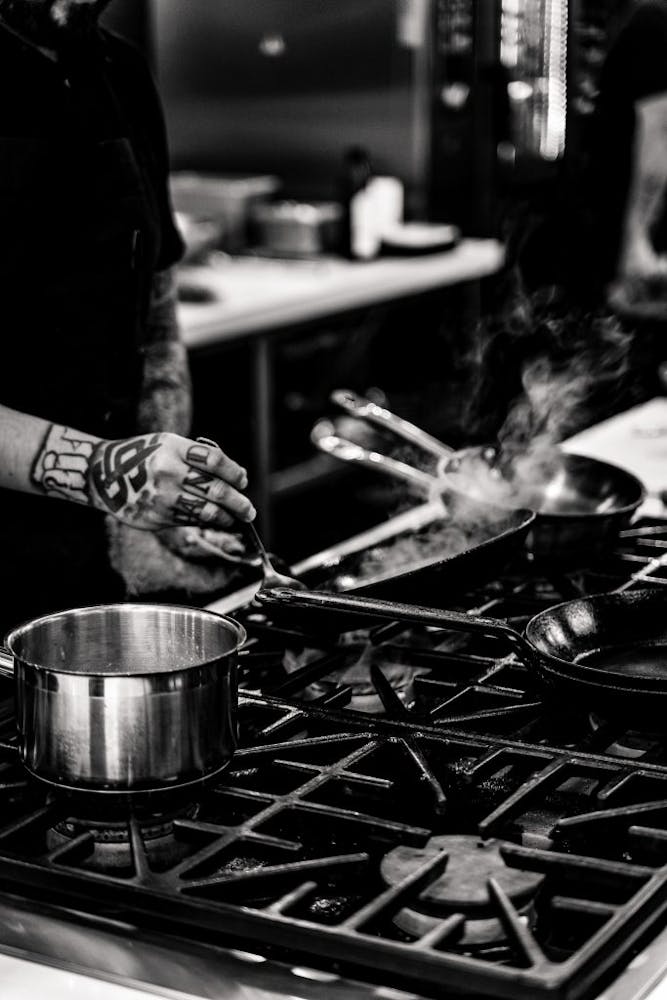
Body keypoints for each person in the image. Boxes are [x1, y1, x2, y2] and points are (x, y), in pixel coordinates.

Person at [0, 0, 255, 633]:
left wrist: (163, 503)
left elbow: (157, 303)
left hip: (82, 552)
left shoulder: (120, 70)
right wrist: (105, 473)